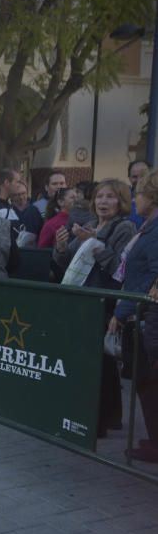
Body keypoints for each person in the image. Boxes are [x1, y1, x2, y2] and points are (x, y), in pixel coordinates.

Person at [54, 179, 136, 436]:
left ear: (121, 201)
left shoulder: (124, 228)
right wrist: (61, 246)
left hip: (103, 301)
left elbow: (120, 270)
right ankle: (106, 415)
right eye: (100, 196)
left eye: (110, 197)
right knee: (95, 360)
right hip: (80, 301)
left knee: (102, 361)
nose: (103, 202)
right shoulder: (89, 225)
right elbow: (65, 263)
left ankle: (102, 417)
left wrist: (97, 244)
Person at [110, 170, 158, 459]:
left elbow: (151, 275)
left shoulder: (155, 230)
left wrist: (124, 309)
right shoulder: (149, 227)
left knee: (148, 383)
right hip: (141, 314)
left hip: (148, 318)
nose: (135, 198)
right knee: (145, 383)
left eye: (138, 193)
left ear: (151, 197)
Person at [128, 159, 152, 227]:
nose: (139, 180)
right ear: (129, 178)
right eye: (134, 177)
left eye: (143, 176)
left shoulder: (155, 200)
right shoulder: (122, 198)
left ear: (151, 177)